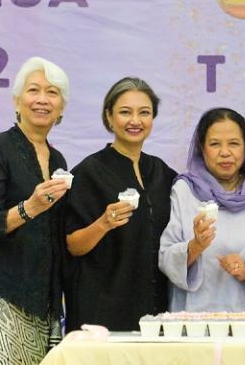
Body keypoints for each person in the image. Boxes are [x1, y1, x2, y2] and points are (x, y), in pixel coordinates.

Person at [0, 57, 72, 365]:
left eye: (52, 93)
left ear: (61, 107)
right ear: (17, 101)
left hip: (41, 299)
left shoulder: (59, 160)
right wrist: (29, 208)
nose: (42, 99)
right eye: (33, 90)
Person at [63, 77, 177, 331]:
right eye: (125, 112)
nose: (135, 121)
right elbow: (73, 245)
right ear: (109, 117)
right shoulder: (89, 172)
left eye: (144, 113)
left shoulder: (162, 173)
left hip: (155, 313)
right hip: (101, 313)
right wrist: (103, 223)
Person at [159, 107, 245, 312]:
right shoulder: (185, 191)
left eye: (234, 144)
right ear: (202, 149)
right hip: (196, 321)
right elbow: (166, 256)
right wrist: (196, 245)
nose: (225, 152)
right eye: (214, 144)